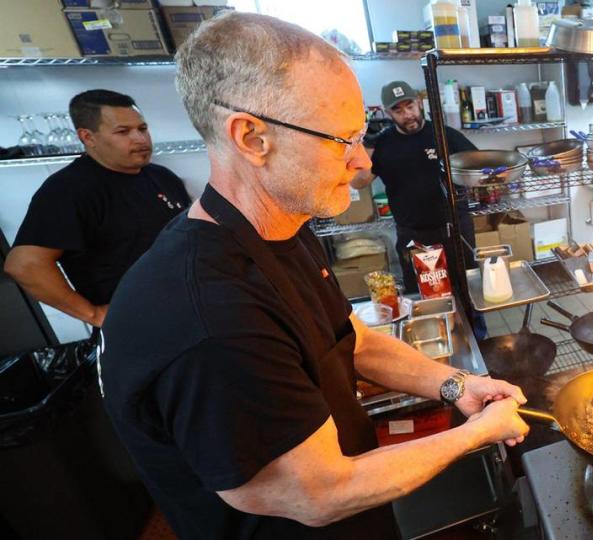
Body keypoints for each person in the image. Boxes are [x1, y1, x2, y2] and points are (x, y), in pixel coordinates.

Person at [99, 12, 529, 540]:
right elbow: (318, 493)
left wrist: (456, 383)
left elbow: (353, 341)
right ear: (252, 138)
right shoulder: (211, 318)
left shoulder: (280, 228)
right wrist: (475, 436)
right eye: (342, 138)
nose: (362, 159)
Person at [5, 90, 189, 329]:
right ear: (88, 137)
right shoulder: (69, 189)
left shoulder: (162, 177)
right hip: (138, 326)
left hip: (187, 311)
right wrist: (93, 314)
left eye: (142, 129)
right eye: (123, 132)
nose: (140, 139)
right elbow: (25, 264)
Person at [351, 81, 478, 296]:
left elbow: (476, 165)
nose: (407, 114)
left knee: (466, 287)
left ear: (419, 104)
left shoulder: (444, 134)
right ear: (387, 112)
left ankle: (476, 330)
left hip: (454, 227)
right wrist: (366, 145)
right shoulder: (382, 143)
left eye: (410, 106)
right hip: (413, 234)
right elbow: (358, 182)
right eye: (398, 110)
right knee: (424, 293)